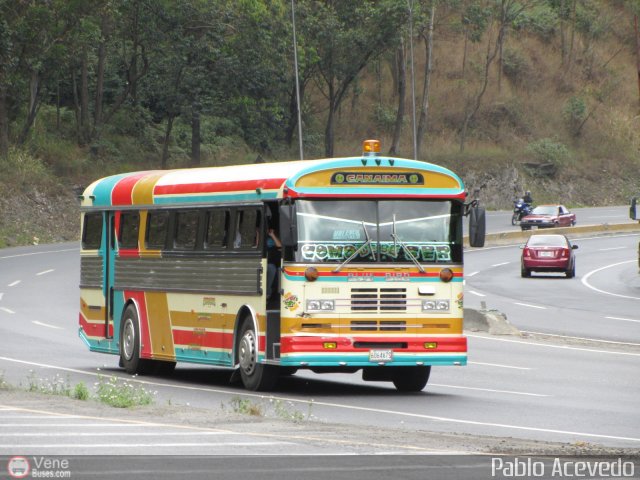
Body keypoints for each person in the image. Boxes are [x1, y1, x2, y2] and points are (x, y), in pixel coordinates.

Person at [266, 225, 282, 299]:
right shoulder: (260, 237)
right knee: (271, 268)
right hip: (266, 263)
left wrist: (272, 235)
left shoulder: (275, 239)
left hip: (275, 263)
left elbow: (279, 246)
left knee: (275, 268)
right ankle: (267, 293)